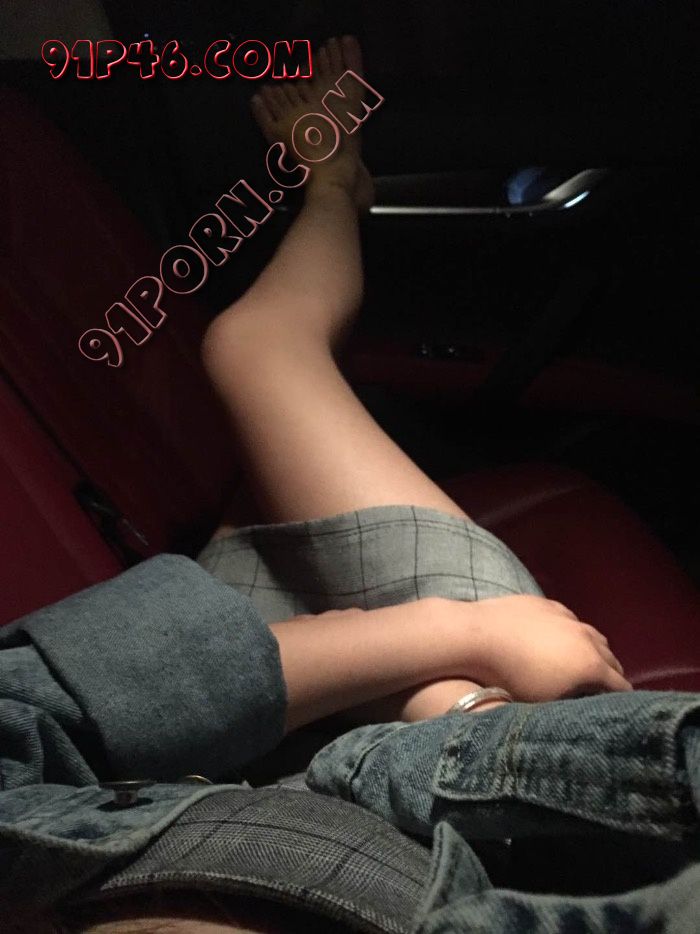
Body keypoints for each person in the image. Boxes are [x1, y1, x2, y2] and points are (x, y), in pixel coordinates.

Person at [2, 36, 700, 934]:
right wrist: (468, 691)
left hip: (241, 758)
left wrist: (464, 638)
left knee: (252, 355)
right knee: (257, 355)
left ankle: (334, 191)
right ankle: (335, 189)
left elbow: (36, 718)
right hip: (460, 785)